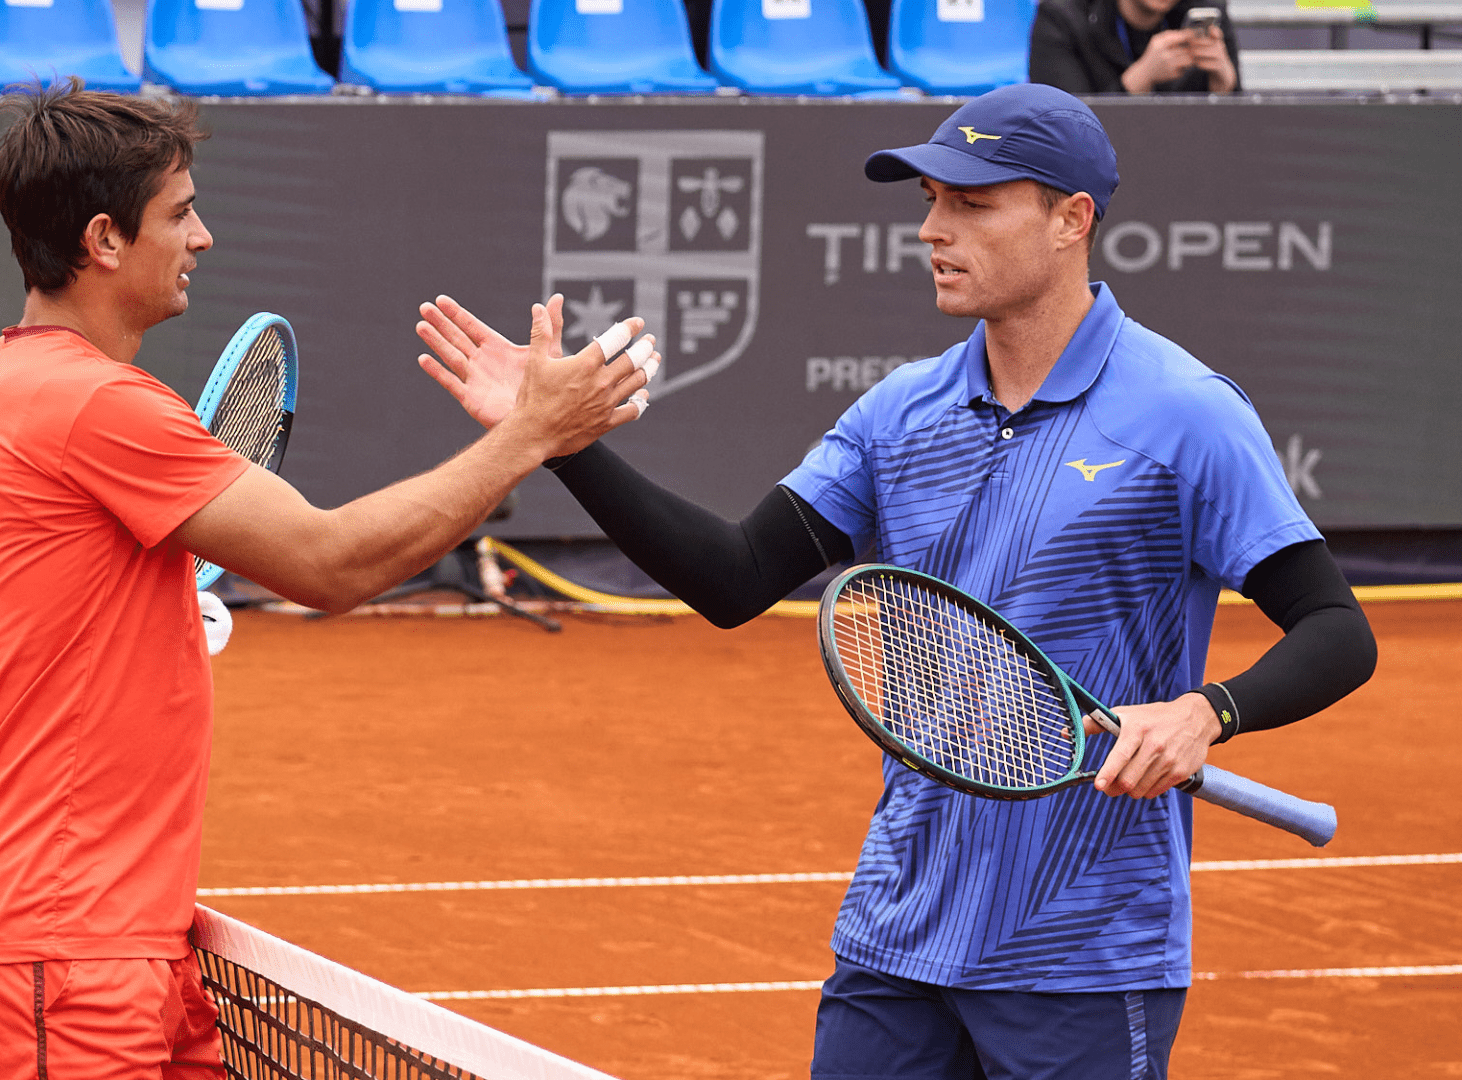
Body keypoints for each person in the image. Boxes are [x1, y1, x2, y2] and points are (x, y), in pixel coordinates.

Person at [417, 82, 1373, 1079]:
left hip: (1080, 952)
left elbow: (1335, 628)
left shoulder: (1186, 413)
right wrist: (555, 440)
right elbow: (735, 578)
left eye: (972, 204)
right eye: (929, 201)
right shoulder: (899, 415)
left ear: (1071, 220)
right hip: (897, 933)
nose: (932, 230)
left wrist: (1206, 712)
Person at [0, 84, 651, 1080]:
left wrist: (136, 624)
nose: (202, 237)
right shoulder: (101, 405)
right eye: (180, 213)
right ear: (105, 240)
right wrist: (532, 434)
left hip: (110, 942)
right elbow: (331, 562)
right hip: (61, 959)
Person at [1029, 0, 1240, 95]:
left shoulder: (1208, 13)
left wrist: (1224, 89)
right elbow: (1063, 132)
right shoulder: (1061, 18)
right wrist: (1139, 80)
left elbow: (1236, 140)